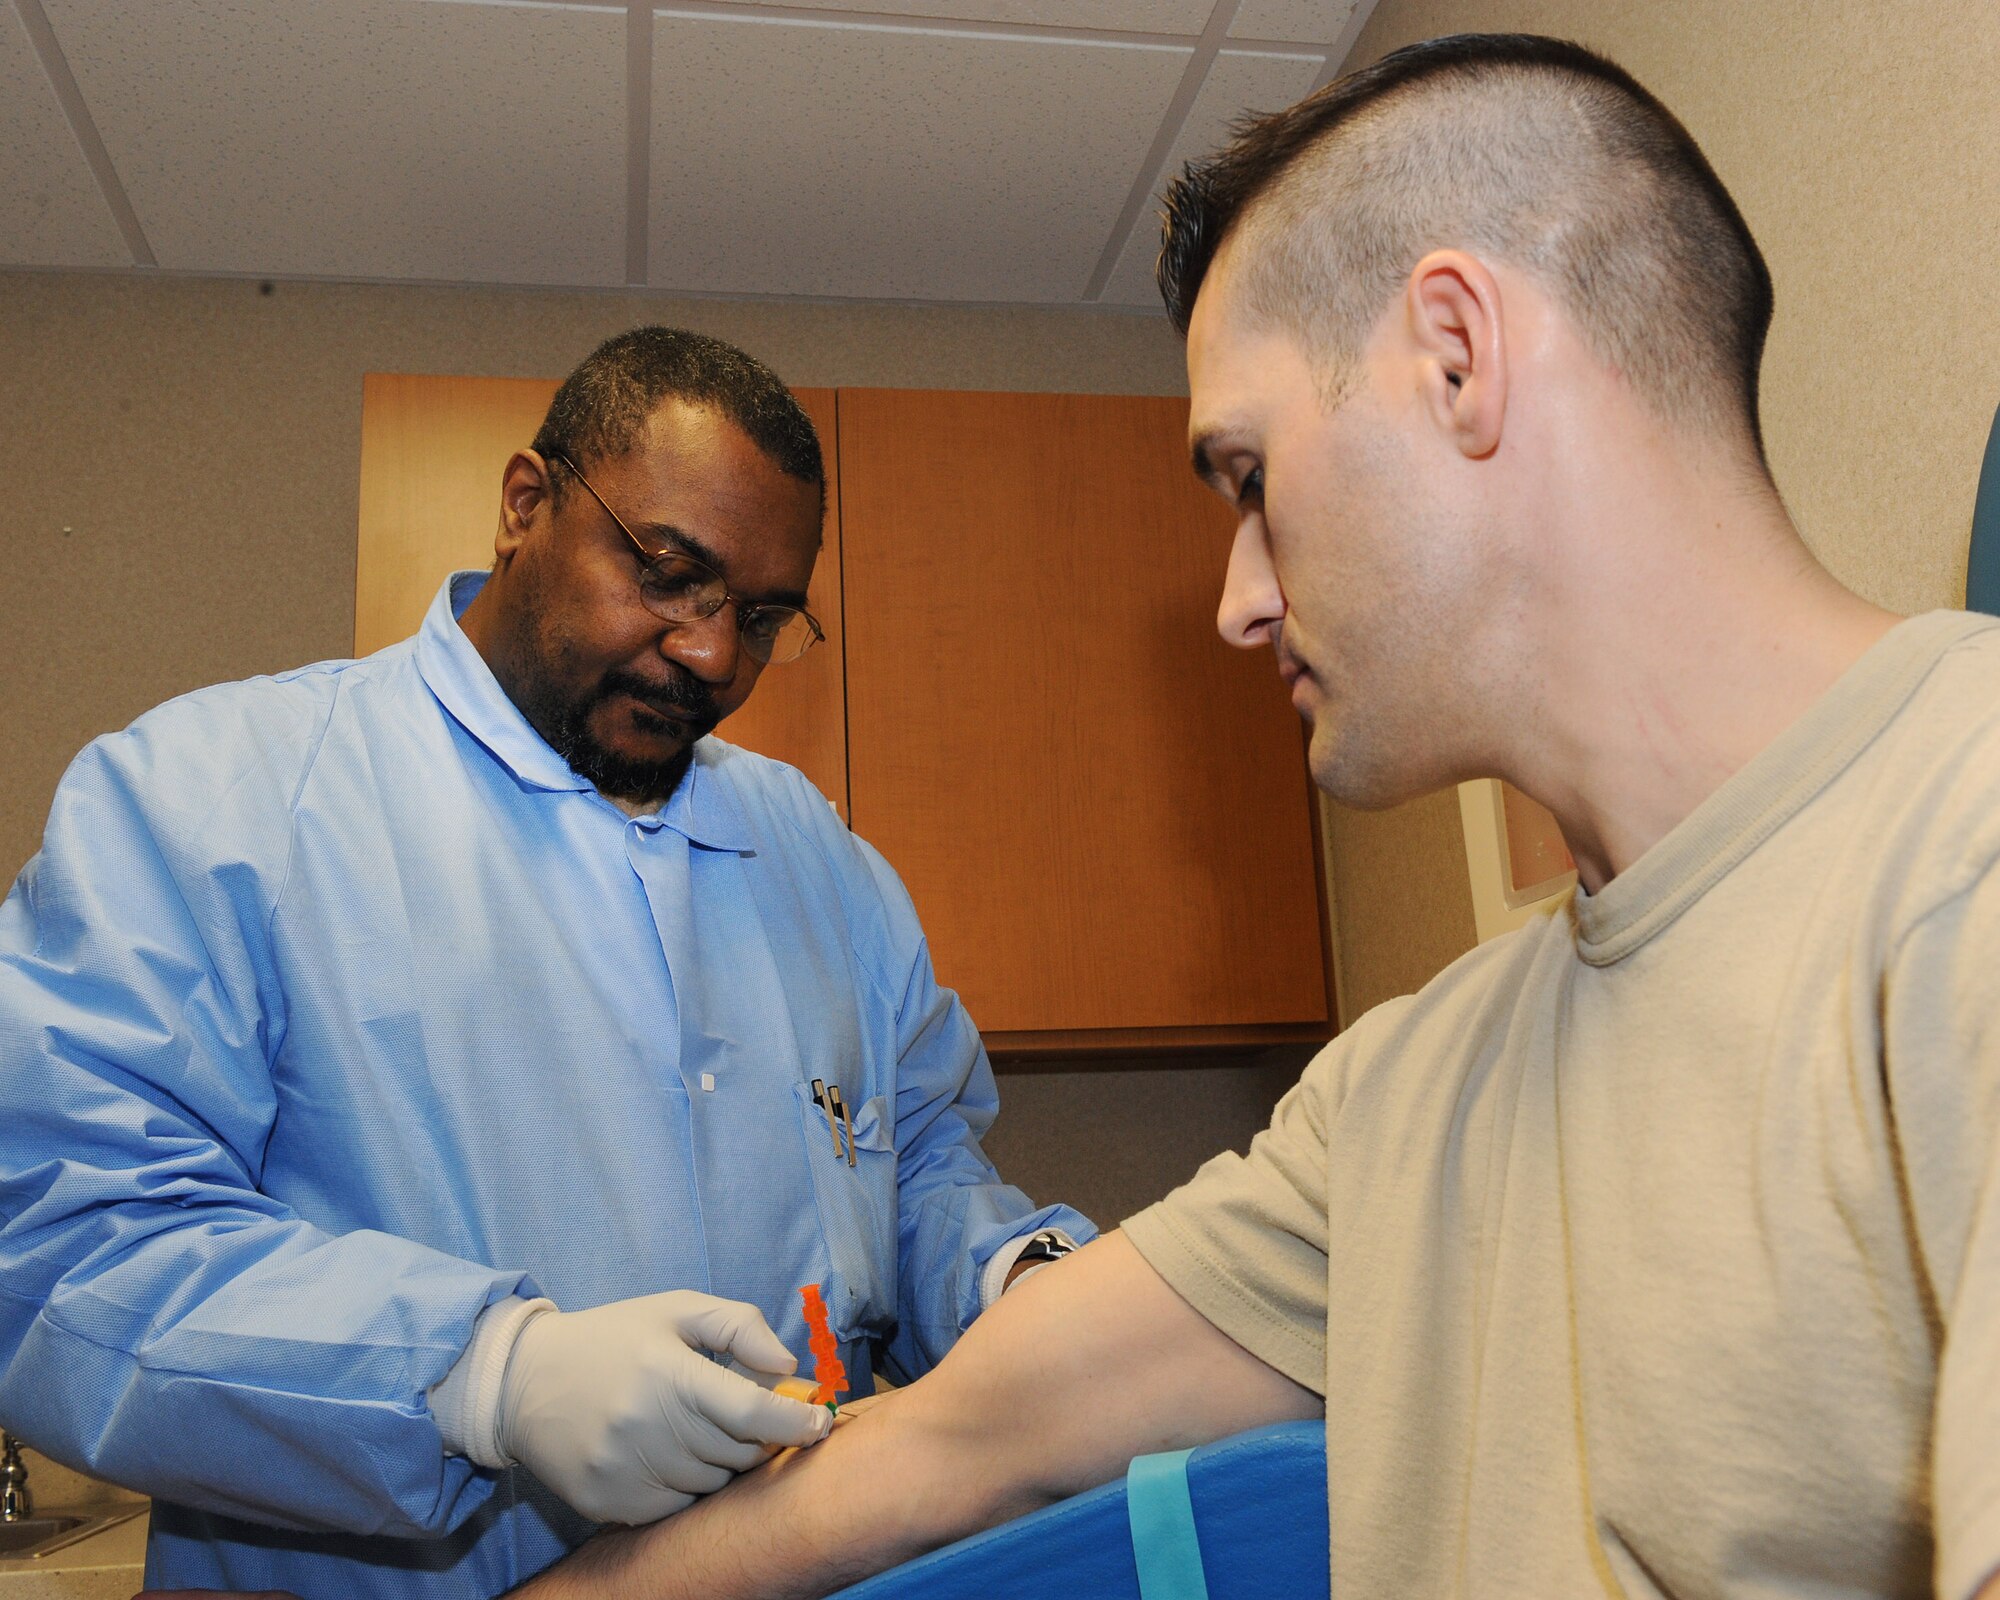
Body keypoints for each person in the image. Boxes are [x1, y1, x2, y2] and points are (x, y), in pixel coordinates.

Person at [501, 34, 2000, 1600]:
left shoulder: (1957, 849)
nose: (1236, 601)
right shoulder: (1410, 1096)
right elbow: (936, 1454)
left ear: (1457, 356)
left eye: (1247, 473)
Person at [0, 327, 1091, 1598]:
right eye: (671, 574)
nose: (709, 655)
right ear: (526, 505)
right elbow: (60, 1241)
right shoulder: (215, 802)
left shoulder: (818, 857)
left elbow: (916, 1159)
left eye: (758, 617)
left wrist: (1022, 1276)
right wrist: (481, 1377)